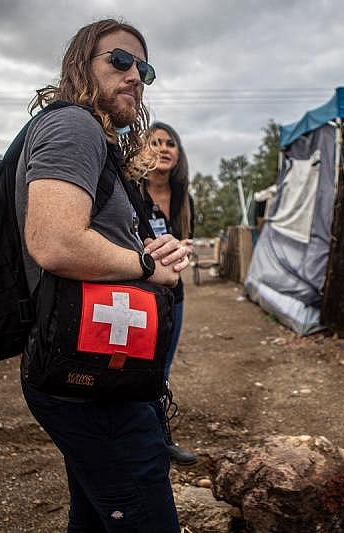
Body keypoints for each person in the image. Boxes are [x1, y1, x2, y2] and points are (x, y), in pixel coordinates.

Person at [15, 19, 189, 532]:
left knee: (96, 513)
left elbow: (90, 238)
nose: (135, 74)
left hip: (98, 370)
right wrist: (145, 266)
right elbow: (55, 241)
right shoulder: (74, 126)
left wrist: (152, 249)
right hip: (89, 379)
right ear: (80, 66)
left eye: (145, 67)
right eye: (120, 60)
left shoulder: (100, 140)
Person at [142, 123, 197, 466]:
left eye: (170, 143)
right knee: (135, 370)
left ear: (178, 155)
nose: (163, 148)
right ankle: (141, 440)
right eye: (155, 142)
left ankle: (161, 441)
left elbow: (186, 239)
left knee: (161, 369)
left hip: (172, 298)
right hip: (137, 295)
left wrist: (185, 248)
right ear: (142, 150)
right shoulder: (129, 190)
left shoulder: (183, 198)